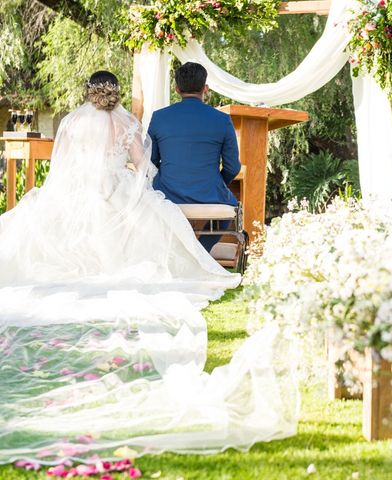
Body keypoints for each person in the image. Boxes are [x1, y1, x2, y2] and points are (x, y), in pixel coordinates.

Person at [0, 71, 296, 465]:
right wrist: (129, 181)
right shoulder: (129, 122)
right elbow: (145, 166)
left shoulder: (73, 122)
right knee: (148, 215)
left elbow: (62, 169)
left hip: (76, 194)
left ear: (88, 92)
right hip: (118, 192)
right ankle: (202, 257)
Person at [148, 62, 241, 252]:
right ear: (205, 89)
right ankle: (201, 251)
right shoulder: (222, 120)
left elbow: (150, 161)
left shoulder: (159, 117)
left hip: (166, 192)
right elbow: (233, 167)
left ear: (177, 89)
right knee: (232, 205)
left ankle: (176, 251)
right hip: (209, 192)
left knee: (150, 203)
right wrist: (216, 183)